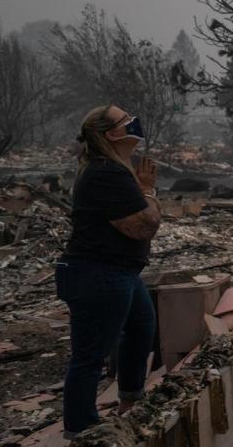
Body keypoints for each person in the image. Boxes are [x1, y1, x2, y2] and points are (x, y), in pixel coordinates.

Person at [56, 105, 161, 438]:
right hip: (97, 274)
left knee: (142, 328)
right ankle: (82, 430)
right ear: (111, 135)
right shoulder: (106, 173)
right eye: (125, 120)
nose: (134, 123)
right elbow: (145, 226)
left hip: (119, 272)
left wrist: (142, 190)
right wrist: (148, 192)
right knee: (90, 355)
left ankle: (130, 401)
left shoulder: (116, 168)